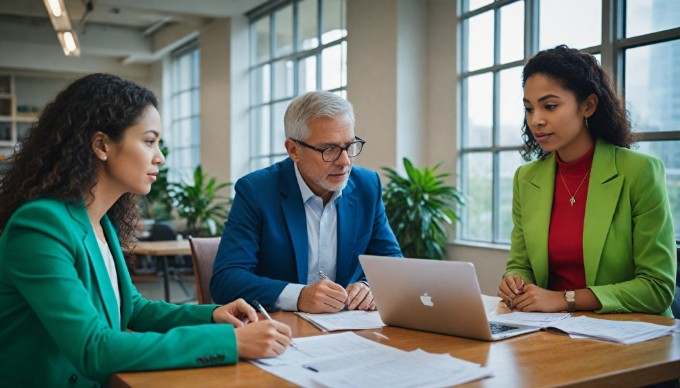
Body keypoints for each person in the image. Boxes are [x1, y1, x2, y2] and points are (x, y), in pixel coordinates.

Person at [0, 73, 292, 386]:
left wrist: (212, 315)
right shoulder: (40, 225)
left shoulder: (99, 222)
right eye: (149, 141)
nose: (160, 157)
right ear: (101, 145)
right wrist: (231, 343)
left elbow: (133, 309)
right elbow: (92, 348)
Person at [498, 45, 676, 317]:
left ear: (588, 106)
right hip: (550, 332)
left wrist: (565, 299)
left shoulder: (639, 172)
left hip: (630, 334)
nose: (537, 120)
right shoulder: (527, 178)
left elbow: (657, 287)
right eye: (529, 109)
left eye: (550, 106)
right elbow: (521, 265)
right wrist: (515, 281)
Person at [211, 91, 402, 313]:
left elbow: (392, 262)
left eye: (349, 146)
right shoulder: (256, 191)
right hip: (280, 330)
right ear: (294, 150)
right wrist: (298, 296)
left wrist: (368, 287)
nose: (345, 161)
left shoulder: (367, 185)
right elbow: (225, 280)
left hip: (349, 326)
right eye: (329, 149)